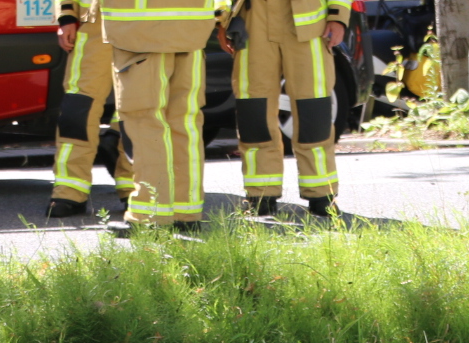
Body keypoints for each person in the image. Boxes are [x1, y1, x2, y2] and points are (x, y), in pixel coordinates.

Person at [97, 0, 219, 232]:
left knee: (145, 122)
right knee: (186, 123)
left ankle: (149, 215)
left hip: (139, 31)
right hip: (191, 28)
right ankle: (187, 213)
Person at [219, 0, 347, 217]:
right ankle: (260, 196)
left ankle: (321, 195)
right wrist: (222, 20)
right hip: (253, 23)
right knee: (254, 113)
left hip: (309, 24)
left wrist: (338, 17)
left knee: (313, 113)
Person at [51, 0, 135, 218]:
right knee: (76, 110)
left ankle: (133, 188)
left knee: (137, 108)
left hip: (142, 25)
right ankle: (69, 191)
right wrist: (67, 17)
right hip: (94, 24)